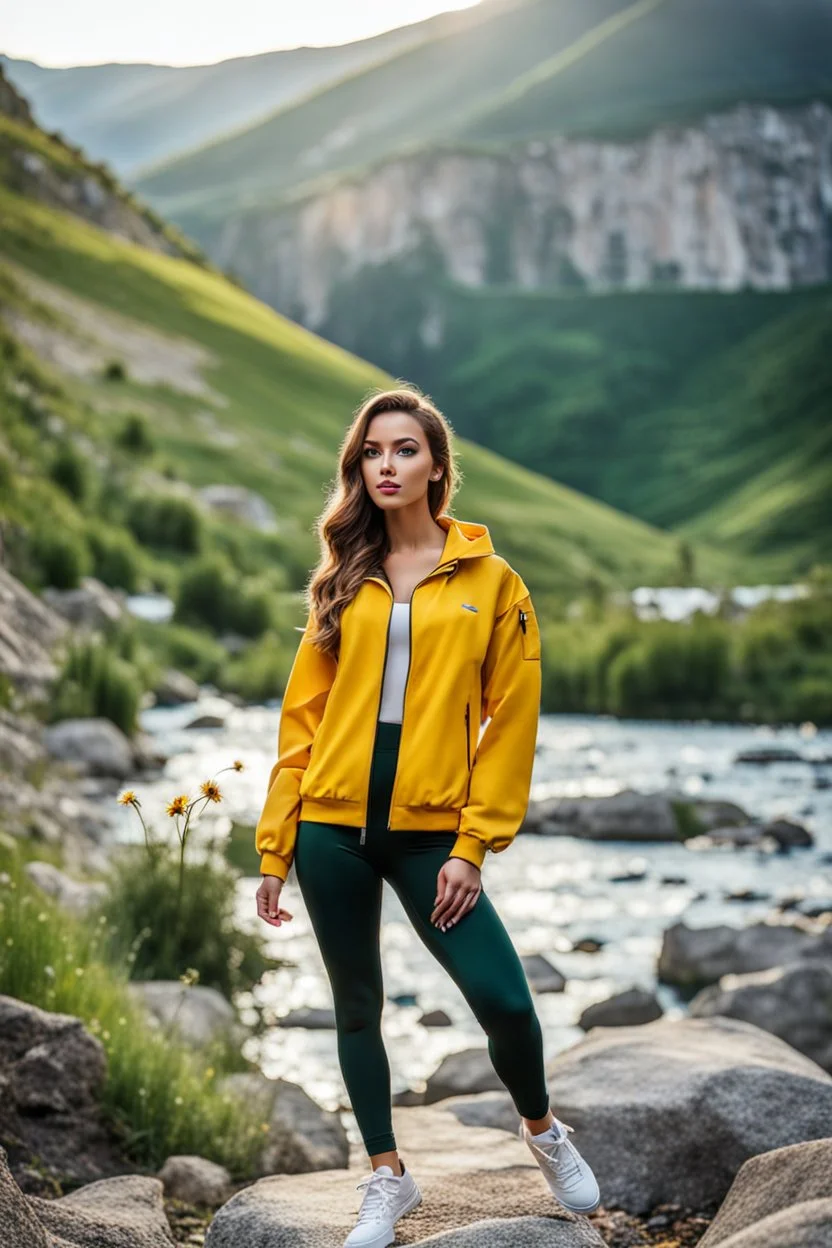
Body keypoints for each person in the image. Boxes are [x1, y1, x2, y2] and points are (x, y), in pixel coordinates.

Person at [254, 385, 600, 1246]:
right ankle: (386, 1177)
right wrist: (275, 845)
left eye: (404, 450)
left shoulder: (494, 582)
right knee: (356, 1008)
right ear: (357, 468)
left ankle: (542, 1129)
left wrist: (474, 844)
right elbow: (303, 717)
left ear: (437, 466)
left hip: (432, 832)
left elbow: (511, 723)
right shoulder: (342, 579)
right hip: (331, 828)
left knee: (506, 1002)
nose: (386, 466)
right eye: (371, 453)